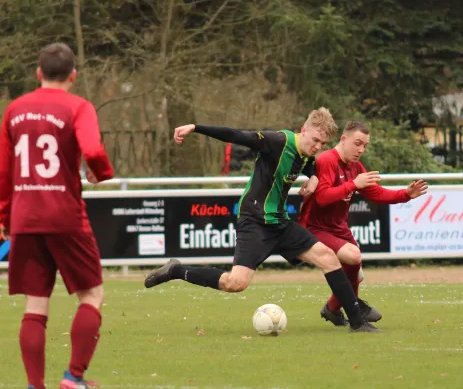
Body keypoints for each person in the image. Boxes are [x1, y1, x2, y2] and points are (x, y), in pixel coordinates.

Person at [144, 108, 380, 333]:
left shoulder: (306, 155)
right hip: (254, 222)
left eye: (323, 144)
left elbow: (312, 166)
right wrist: (195, 127)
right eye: (315, 140)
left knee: (328, 257)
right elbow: (236, 135)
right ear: (303, 130)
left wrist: (315, 178)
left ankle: (357, 322)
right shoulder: (276, 141)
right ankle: (176, 270)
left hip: (280, 223)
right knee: (235, 283)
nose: (318, 147)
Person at [0, 43, 114, 389]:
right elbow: (92, 149)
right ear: (73, 76)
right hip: (65, 216)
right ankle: (73, 378)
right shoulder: (78, 106)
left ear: (38, 74)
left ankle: (35, 385)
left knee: (35, 305)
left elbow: (5, 174)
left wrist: (6, 217)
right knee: (92, 295)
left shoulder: (14, 110)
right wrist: (101, 172)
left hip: (25, 217)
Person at [299, 120, 428, 327]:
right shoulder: (327, 160)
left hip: (339, 228)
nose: (361, 149)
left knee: (355, 272)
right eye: (357, 143)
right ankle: (355, 312)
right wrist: (353, 184)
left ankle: (333, 308)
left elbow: (375, 193)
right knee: (353, 256)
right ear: (344, 139)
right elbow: (322, 198)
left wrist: (406, 194)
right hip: (315, 228)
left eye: (365, 145)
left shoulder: (355, 167)